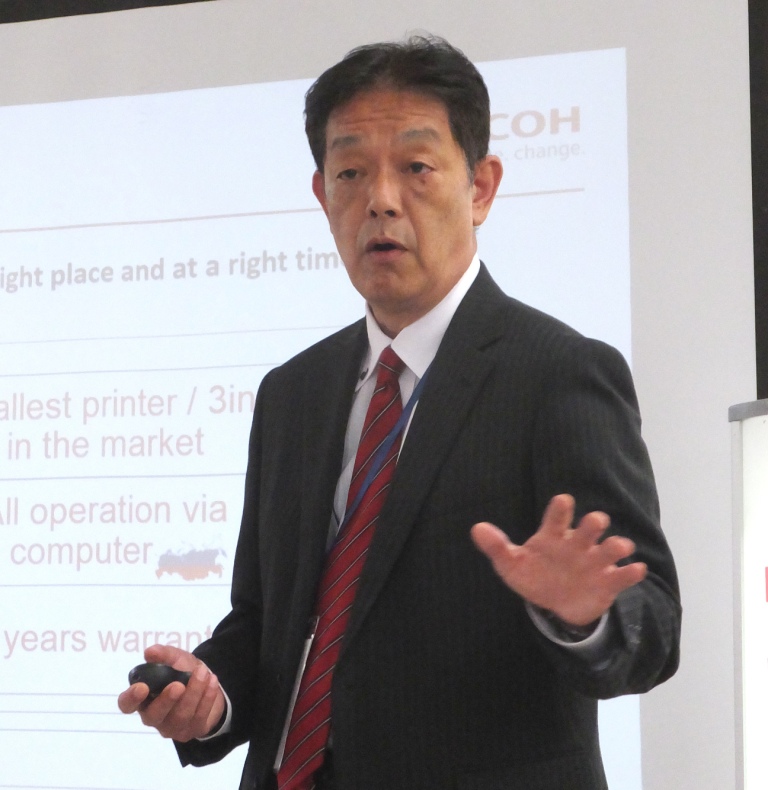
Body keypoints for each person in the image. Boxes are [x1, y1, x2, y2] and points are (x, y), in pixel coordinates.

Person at [118, 35, 681, 790]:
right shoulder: (292, 393)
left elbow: (653, 629)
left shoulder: (560, 373)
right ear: (322, 195)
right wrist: (211, 699)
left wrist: (585, 616)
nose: (380, 200)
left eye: (416, 167)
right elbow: (269, 625)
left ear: (481, 188)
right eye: (350, 172)